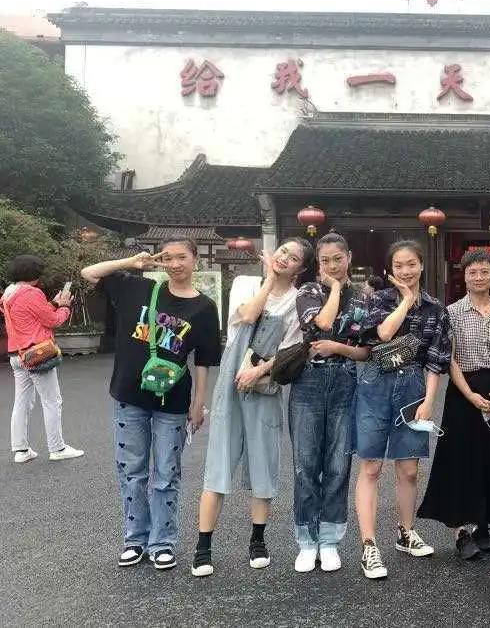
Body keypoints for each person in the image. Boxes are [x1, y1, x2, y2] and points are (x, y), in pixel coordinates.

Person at [81, 237, 222, 570]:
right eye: (168, 258)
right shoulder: (138, 289)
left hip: (172, 400)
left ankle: (163, 542)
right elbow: (89, 273)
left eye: (181, 257)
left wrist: (199, 403)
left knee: (166, 474)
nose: (175, 264)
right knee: (132, 470)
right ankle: (134, 539)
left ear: (195, 259)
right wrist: (131, 262)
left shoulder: (204, 307)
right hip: (129, 394)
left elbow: (204, 360)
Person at [191, 238, 312, 577]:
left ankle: (258, 540)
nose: (284, 258)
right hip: (231, 377)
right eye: (282, 251)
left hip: (265, 382)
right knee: (219, 460)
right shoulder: (246, 283)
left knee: (264, 461)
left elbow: (290, 351)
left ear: (301, 268)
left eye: (293, 258)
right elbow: (246, 316)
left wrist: (258, 371)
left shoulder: (298, 301)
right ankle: (203, 545)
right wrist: (269, 278)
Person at [354, 240, 452, 580]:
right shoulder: (379, 299)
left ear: (421, 265)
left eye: (411, 264)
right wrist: (407, 300)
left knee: (408, 468)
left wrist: (429, 401)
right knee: (371, 466)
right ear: (390, 270)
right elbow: (382, 333)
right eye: (399, 266)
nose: (406, 271)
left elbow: (437, 360)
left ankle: (405, 531)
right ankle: (369, 544)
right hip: (375, 383)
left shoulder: (437, 309)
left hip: (412, 385)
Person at [418, 249, 490, 559]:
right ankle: (460, 531)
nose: (479, 277)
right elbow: (450, 358)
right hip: (463, 391)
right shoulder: (452, 312)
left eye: (485, 271)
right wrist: (470, 394)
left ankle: (484, 525)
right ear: (464, 276)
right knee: (460, 459)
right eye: (473, 272)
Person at [290, 233, 371, 574]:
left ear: (349, 256)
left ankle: (330, 540)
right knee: (306, 463)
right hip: (308, 381)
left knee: (338, 464)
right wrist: (336, 289)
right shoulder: (308, 291)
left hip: (345, 380)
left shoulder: (365, 297)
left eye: (338, 258)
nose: (333, 265)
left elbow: (365, 351)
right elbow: (321, 323)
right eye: (325, 260)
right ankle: (307, 541)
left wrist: (337, 347)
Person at [3, 255, 83, 463]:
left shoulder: (9, 293)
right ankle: (57, 448)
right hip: (37, 354)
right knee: (52, 401)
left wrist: (54, 302)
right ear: (34, 274)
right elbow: (52, 320)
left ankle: (21, 450)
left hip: (17, 354)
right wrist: (64, 306)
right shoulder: (32, 293)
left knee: (22, 402)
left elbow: (34, 315)